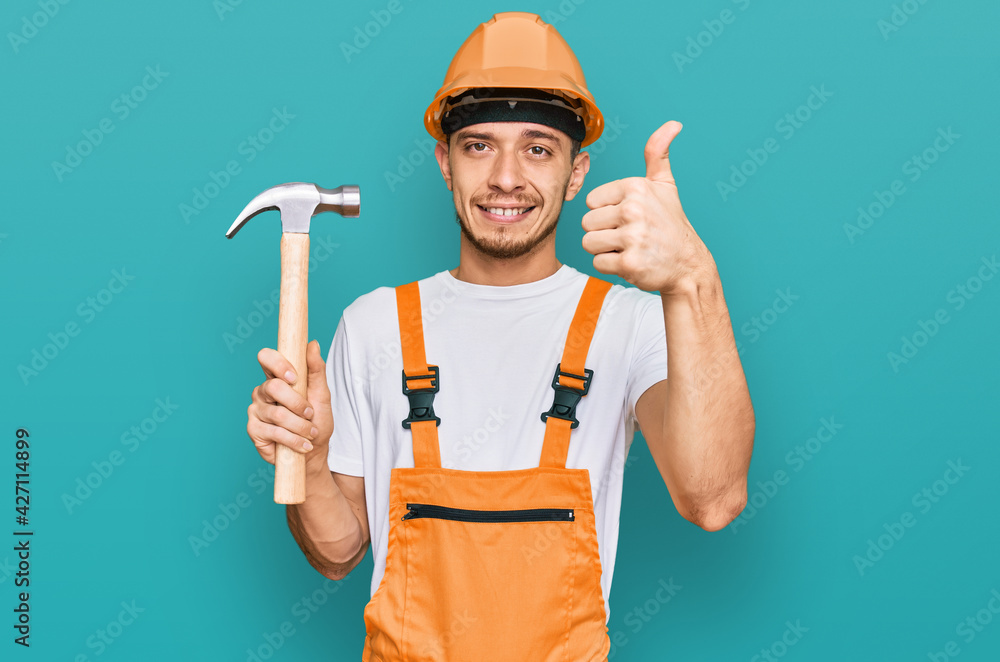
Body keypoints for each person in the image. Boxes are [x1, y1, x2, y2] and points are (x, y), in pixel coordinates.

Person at [244, 11, 754, 661]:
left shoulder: (629, 324)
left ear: (577, 172)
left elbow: (713, 497)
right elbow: (338, 554)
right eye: (479, 145)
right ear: (444, 162)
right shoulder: (374, 326)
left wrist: (692, 279)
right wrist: (311, 461)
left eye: (538, 147)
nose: (506, 177)